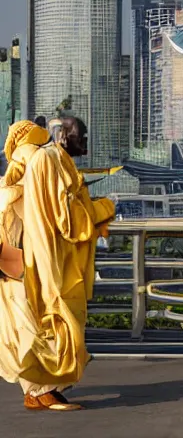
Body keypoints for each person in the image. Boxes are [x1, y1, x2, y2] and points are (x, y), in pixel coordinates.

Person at [0, 118, 115, 411]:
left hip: (18, 262)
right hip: (39, 261)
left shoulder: (29, 164)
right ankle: (42, 389)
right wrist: (103, 209)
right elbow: (65, 217)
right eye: (80, 132)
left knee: (29, 325)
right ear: (61, 134)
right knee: (49, 322)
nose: (85, 137)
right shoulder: (48, 160)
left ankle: (38, 390)